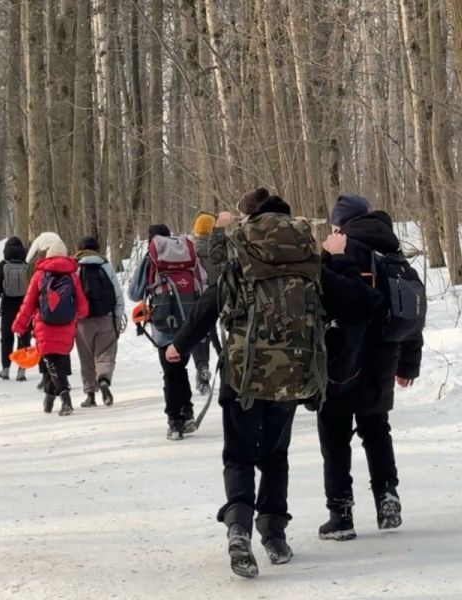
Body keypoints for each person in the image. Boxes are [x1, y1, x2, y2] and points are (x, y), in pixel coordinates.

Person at [167, 188, 376, 578]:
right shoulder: (306, 254)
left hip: (243, 374)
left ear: (251, 218)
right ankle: (274, 535)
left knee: (239, 455)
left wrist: (180, 343)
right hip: (292, 373)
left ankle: (239, 530)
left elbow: (212, 299)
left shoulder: (240, 249)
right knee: (275, 456)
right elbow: (358, 301)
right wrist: (339, 259)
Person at [317, 195, 423, 541]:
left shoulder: (340, 250)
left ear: (340, 224)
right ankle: (387, 496)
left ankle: (341, 515)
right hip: (383, 357)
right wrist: (408, 364)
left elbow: (331, 299)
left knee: (334, 435)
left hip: (342, 358)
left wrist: (333, 257)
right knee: (376, 428)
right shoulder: (392, 250)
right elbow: (410, 309)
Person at [129, 224, 204, 440]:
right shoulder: (187, 255)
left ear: (151, 240)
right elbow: (202, 283)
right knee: (181, 368)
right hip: (188, 322)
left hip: (164, 325)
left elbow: (135, 293)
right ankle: (187, 412)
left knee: (171, 373)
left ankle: (175, 421)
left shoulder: (151, 259)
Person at [13, 234, 89, 416]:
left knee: (51, 363)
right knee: (57, 362)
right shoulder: (72, 276)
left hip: (44, 326)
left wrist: (19, 325)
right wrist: (77, 314)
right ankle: (49, 396)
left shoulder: (40, 275)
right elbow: (82, 306)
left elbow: (28, 303)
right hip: (66, 325)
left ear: (48, 255)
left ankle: (65, 399)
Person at [74, 236, 125, 407]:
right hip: (106, 317)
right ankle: (103, 380)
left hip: (83, 321)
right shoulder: (105, 265)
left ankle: (90, 394)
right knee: (106, 353)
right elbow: (117, 293)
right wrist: (118, 316)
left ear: (79, 249)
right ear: (97, 249)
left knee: (86, 358)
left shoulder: (75, 267)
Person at [0, 237, 31, 381]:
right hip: (24, 307)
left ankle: (5, 368)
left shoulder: (3, 265)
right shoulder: (26, 265)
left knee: (7, 337)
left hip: (7, 307)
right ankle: (22, 370)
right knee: (24, 337)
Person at [191, 212, 221, 395]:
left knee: (199, 333)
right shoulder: (217, 249)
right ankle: (224, 363)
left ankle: (202, 367)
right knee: (214, 332)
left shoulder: (190, 249)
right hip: (216, 295)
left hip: (196, 297)